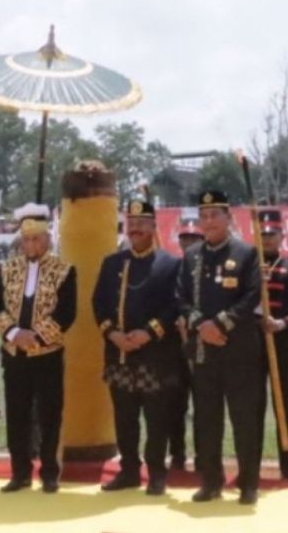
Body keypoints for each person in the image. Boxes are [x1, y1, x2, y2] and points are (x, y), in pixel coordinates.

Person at [176, 190, 265, 505]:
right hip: (204, 353)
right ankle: (210, 482)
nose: (209, 221)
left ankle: (249, 484)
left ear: (229, 218)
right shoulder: (191, 256)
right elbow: (181, 298)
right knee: (206, 421)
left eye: (216, 215)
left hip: (239, 351)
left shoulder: (246, 253)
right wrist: (202, 325)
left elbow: (252, 295)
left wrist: (221, 324)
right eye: (204, 216)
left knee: (245, 420)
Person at [92, 199, 182, 495]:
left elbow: (174, 307)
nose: (136, 228)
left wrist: (149, 333)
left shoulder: (170, 264)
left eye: (142, 223)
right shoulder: (112, 263)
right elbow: (99, 304)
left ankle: (156, 473)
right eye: (131, 223)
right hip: (119, 354)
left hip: (154, 356)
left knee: (156, 419)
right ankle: (129, 470)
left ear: (154, 226)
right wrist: (112, 334)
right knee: (125, 418)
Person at [0, 203, 77, 493]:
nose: (31, 244)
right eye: (26, 239)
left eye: (36, 239)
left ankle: (50, 473)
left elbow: (67, 313)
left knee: (50, 414)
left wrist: (36, 337)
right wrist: (15, 333)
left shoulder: (64, 270)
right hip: (15, 355)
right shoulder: (6, 269)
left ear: (47, 240)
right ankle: (20, 472)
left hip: (48, 355)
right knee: (17, 414)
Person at [258, 208, 288, 480]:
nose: (267, 239)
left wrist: (282, 323)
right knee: (251, 406)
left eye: (272, 234)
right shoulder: (247, 267)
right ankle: (250, 461)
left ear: (282, 236)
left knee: (282, 404)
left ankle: (286, 465)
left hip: (283, 343)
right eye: (263, 235)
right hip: (252, 346)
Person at [168, 219, 204, 468]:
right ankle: (177, 453)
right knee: (175, 403)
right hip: (174, 347)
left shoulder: (209, 268)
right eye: (185, 238)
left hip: (203, 344)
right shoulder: (171, 268)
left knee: (204, 404)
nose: (189, 243)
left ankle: (204, 455)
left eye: (193, 238)